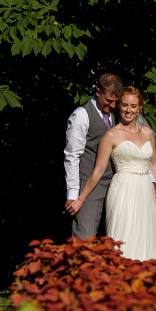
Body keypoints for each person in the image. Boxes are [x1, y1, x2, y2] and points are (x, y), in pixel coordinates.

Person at [67, 86, 156, 261]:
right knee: (125, 238)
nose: (129, 110)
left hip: (145, 192)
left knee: (146, 238)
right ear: (119, 106)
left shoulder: (148, 133)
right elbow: (98, 171)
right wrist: (80, 198)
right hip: (123, 190)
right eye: (125, 105)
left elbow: (154, 164)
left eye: (133, 106)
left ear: (140, 108)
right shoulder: (111, 135)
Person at [64, 73, 123, 238]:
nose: (112, 105)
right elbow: (72, 156)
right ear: (98, 91)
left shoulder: (117, 114)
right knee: (85, 237)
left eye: (116, 102)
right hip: (90, 185)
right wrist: (73, 194)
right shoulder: (81, 115)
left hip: (116, 185)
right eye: (108, 100)